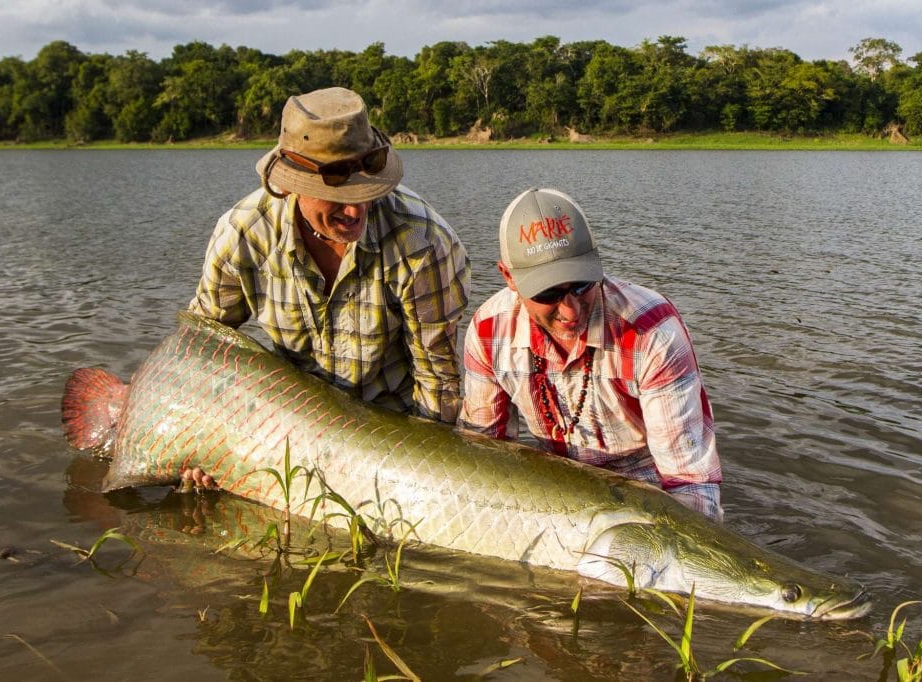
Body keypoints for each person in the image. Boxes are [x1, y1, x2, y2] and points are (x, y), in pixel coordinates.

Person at [182, 88, 470, 490]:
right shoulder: (244, 234)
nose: (356, 211)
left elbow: (437, 381)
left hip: (389, 432)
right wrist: (200, 440)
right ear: (292, 184)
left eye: (365, 191)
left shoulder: (422, 242)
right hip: (287, 423)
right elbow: (199, 349)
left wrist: (423, 477)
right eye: (337, 197)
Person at [458, 188, 723, 521]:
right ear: (509, 277)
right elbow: (484, 454)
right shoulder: (488, 331)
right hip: (557, 489)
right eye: (549, 292)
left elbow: (690, 485)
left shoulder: (652, 333)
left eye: (581, 284)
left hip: (650, 497)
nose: (570, 311)